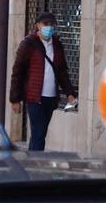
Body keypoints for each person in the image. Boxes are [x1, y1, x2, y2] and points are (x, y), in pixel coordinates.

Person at [9, 12, 77, 152]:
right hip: (35, 98)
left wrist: (70, 93)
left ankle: (31, 160)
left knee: (39, 133)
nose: (49, 27)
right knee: (39, 133)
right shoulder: (28, 44)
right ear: (38, 26)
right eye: (46, 24)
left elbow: (62, 72)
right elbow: (17, 72)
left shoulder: (57, 45)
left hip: (51, 98)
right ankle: (36, 161)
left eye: (52, 24)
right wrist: (15, 99)